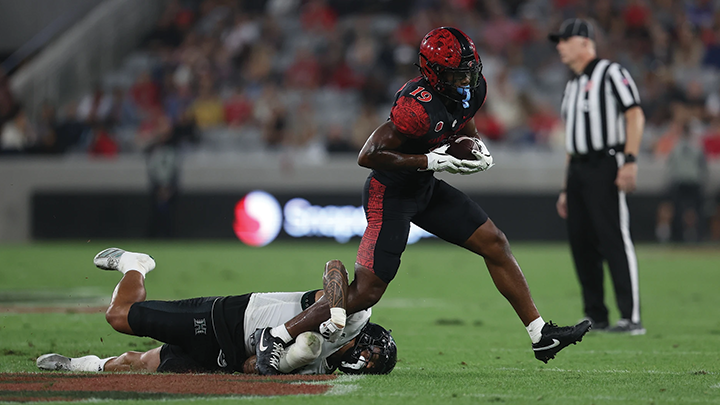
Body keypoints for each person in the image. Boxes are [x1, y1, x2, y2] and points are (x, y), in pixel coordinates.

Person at [253, 26, 591, 375]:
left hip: (424, 189)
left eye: (469, 70)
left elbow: (464, 120)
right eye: (457, 73)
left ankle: (540, 335)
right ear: (433, 73)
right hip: (391, 192)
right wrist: (430, 161)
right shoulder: (415, 107)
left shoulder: (471, 89)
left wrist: (476, 147)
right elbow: (368, 154)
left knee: (495, 242)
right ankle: (277, 335)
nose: (466, 79)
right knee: (368, 291)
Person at [36, 248, 397, 375]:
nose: (366, 361)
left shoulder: (321, 365)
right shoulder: (354, 317)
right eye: (371, 355)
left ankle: (85, 365)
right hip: (228, 318)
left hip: (229, 354)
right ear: (367, 337)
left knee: (144, 363)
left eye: (371, 364)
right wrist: (334, 311)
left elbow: (251, 366)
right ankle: (135, 264)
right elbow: (335, 269)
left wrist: (278, 362)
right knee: (119, 316)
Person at [550, 18, 646, 334]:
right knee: (581, 243)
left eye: (565, 40)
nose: (560, 46)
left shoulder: (611, 72)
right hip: (578, 167)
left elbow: (634, 113)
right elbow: (571, 140)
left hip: (606, 162)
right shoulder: (572, 84)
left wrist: (629, 160)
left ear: (584, 42)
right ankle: (597, 315)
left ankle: (630, 316)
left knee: (613, 237)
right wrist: (566, 187)